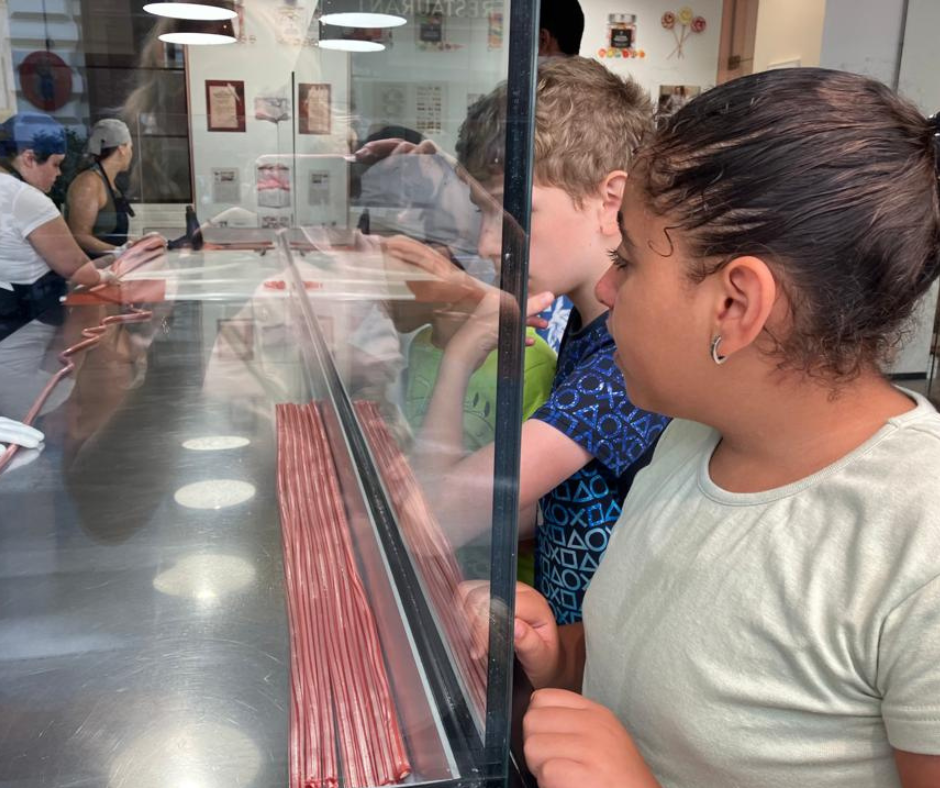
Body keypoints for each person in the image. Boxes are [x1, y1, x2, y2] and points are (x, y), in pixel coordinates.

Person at [503, 68, 940, 787]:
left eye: (629, 261)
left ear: (736, 305)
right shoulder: (686, 439)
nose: (607, 290)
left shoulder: (912, 544)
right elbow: (653, 669)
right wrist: (561, 656)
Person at [406, 57, 670, 623]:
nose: (485, 243)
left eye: (513, 211)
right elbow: (554, 505)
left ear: (611, 201)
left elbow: (433, 523)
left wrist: (457, 361)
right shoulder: (585, 326)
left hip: (593, 672)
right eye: (482, 212)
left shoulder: (623, 365)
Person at [0, 113, 115, 341]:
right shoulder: (26, 198)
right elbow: (78, 269)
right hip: (24, 325)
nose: (58, 173)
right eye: (55, 164)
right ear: (29, 158)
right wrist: (105, 276)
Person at [66, 118, 136, 257]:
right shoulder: (89, 183)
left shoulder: (111, 183)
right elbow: (80, 236)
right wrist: (118, 252)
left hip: (112, 266)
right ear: (122, 149)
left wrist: (135, 245)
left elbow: (111, 235)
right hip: (93, 269)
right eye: (130, 147)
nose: (131, 153)